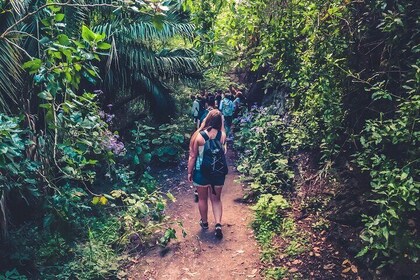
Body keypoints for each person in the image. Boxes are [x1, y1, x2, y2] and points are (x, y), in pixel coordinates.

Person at [188, 109, 227, 239]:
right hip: (218, 172)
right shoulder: (222, 135)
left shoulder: (199, 136)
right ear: (220, 122)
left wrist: (189, 172)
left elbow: (193, 156)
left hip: (201, 172)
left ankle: (204, 223)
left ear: (208, 119)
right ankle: (218, 224)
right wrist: (221, 121)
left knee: (202, 198)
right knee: (216, 199)